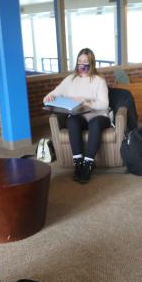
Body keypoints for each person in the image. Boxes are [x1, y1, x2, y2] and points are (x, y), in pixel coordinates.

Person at [43, 48, 110, 183]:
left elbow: (104, 104)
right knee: (72, 121)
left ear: (91, 62)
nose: (82, 64)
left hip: (98, 116)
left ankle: (88, 164)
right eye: (80, 61)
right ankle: (78, 162)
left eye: (85, 61)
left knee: (94, 123)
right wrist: (49, 97)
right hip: (79, 116)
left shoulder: (99, 80)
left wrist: (86, 102)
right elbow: (52, 95)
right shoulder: (70, 79)